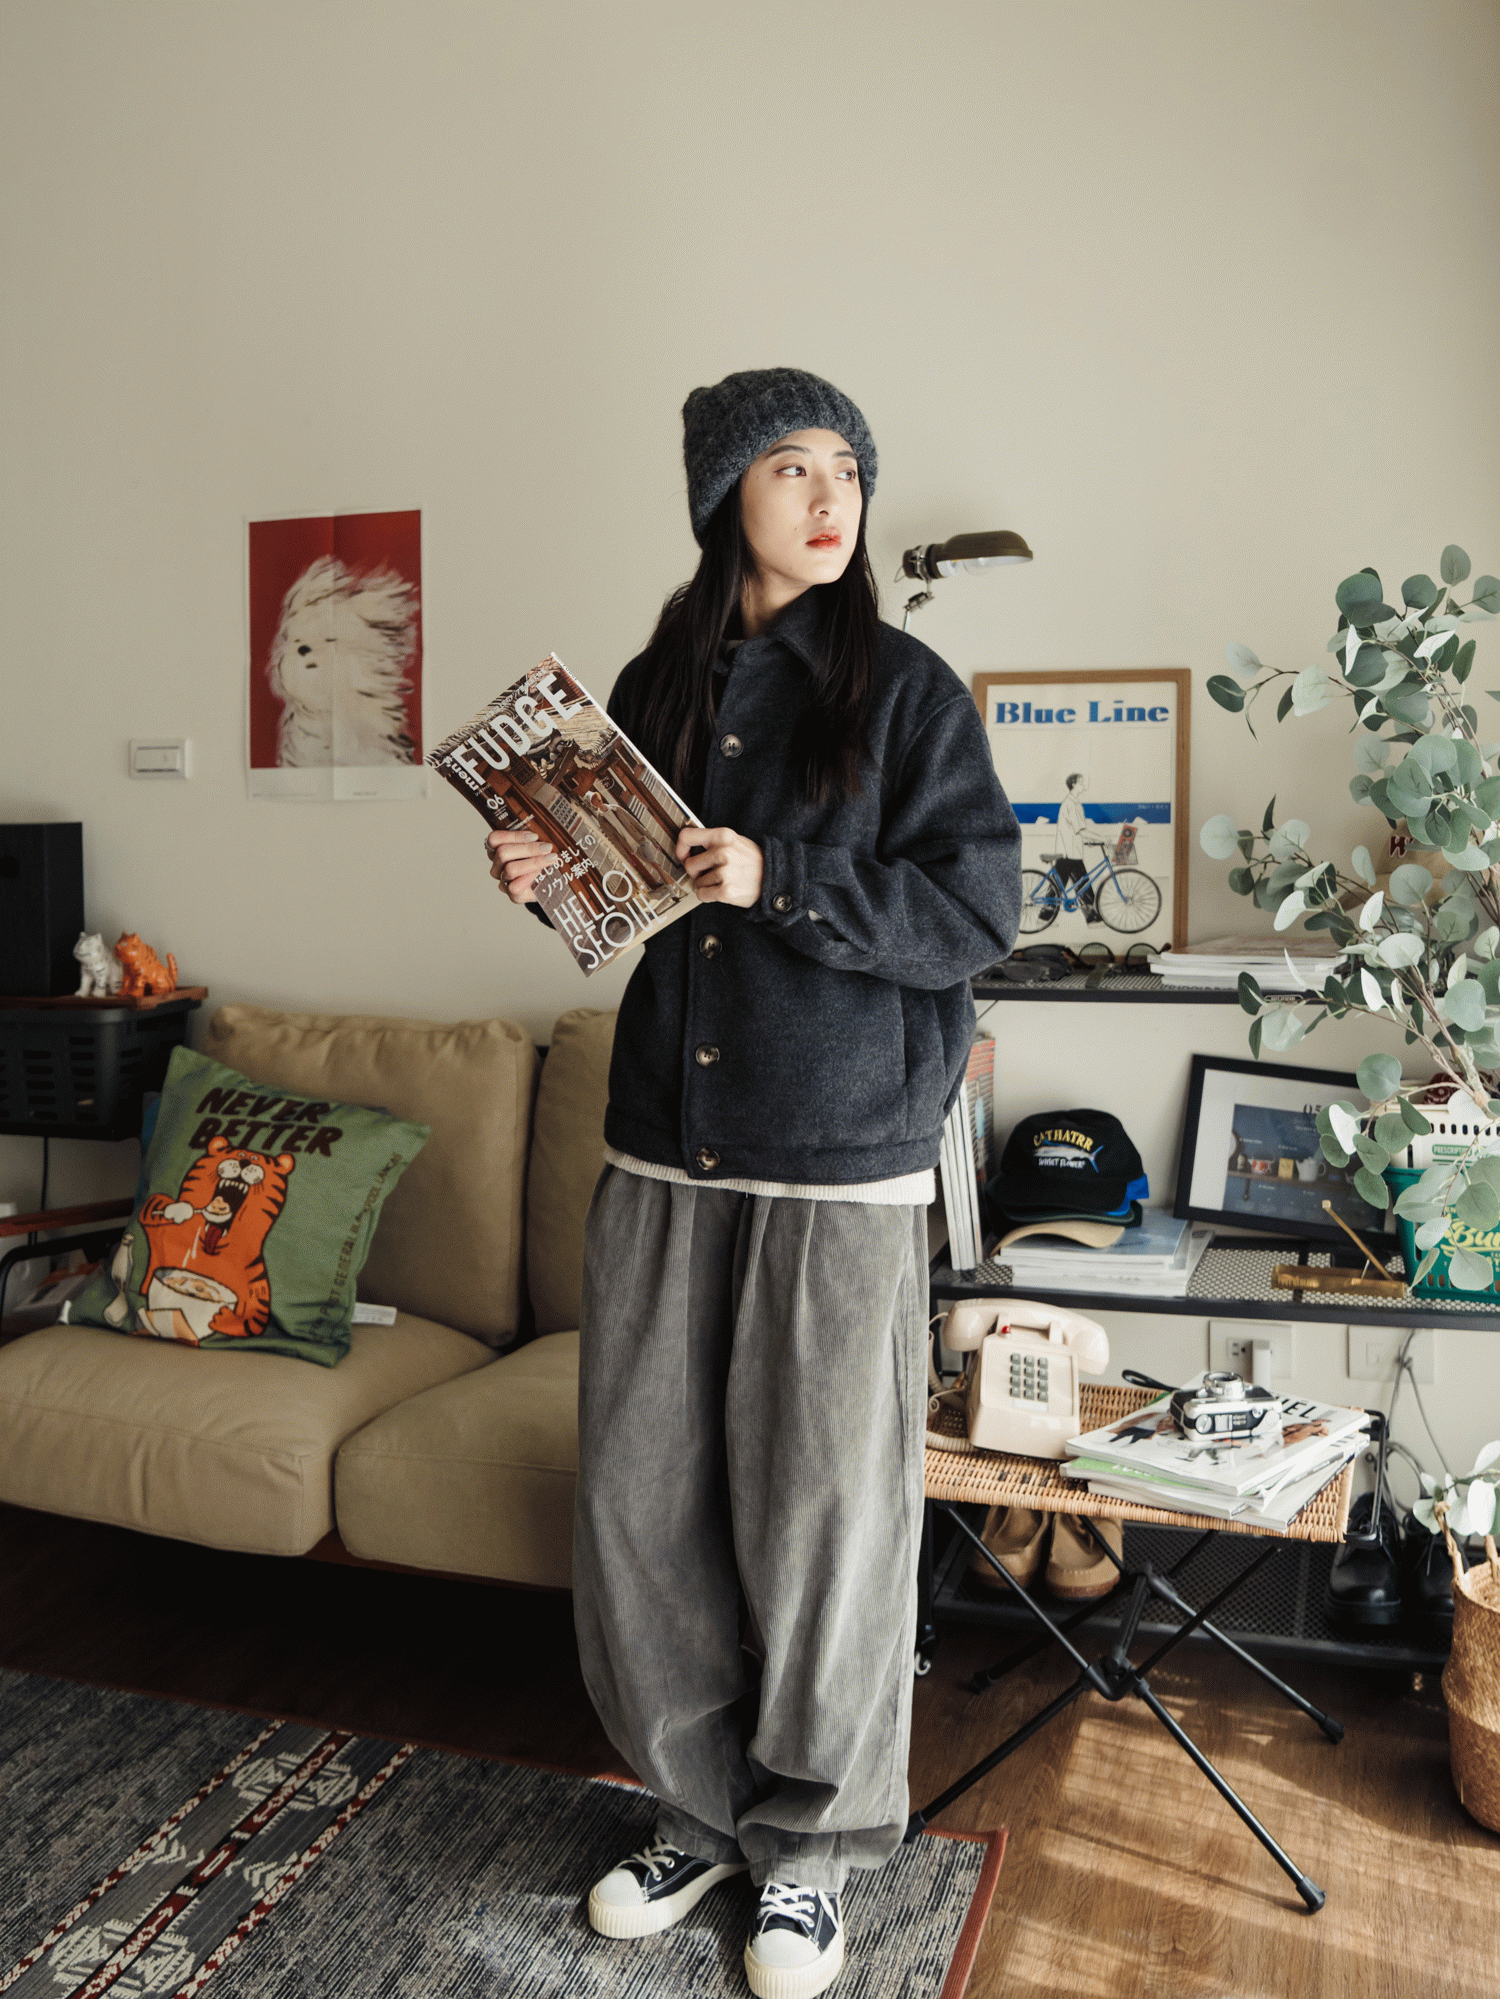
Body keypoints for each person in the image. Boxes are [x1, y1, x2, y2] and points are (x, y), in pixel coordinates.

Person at [486, 368, 1021, 1998]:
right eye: (793, 465)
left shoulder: (907, 690)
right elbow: (631, 906)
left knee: (825, 1524)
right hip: (661, 1146)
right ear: (727, 493)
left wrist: (783, 875)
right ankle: (698, 1811)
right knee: (644, 1506)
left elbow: (976, 914)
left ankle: (812, 1849)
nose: (830, 493)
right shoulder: (657, 681)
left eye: (847, 466)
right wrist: (546, 873)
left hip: (840, 1170)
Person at [1054, 771, 1100, 921]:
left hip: (1069, 852)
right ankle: (1092, 917)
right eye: (1081, 782)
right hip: (1070, 854)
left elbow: (1073, 831)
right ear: (1073, 784)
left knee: (1060, 886)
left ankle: (1044, 916)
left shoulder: (1071, 802)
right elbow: (1080, 830)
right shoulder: (1072, 804)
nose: (1084, 785)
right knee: (1081, 885)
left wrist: (1089, 841)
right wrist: (1103, 839)